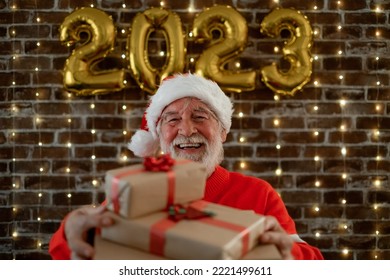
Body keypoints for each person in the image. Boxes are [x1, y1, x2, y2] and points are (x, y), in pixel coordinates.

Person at [49, 73, 324, 260]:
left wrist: (281, 254)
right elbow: (72, 254)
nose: (186, 130)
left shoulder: (259, 194)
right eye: (172, 120)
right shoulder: (134, 194)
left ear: (223, 131)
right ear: (159, 136)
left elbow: (312, 263)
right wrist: (71, 231)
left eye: (200, 116)